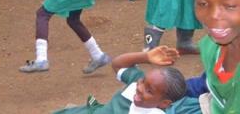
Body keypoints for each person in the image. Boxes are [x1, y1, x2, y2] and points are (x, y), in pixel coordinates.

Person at [53, 46, 195, 114]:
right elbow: (118, 64)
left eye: (149, 90)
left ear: (164, 103)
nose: (140, 87)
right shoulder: (136, 82)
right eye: (143, 81)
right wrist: (145, 57)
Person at [194, 0, 240, 113]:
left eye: (230, 6)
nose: (213, 16)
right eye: (203, 4)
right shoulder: (210, 47)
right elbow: (208, 84)